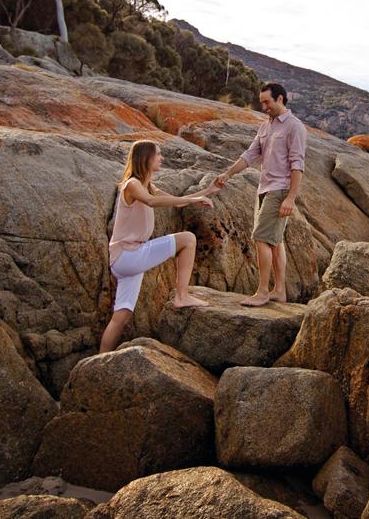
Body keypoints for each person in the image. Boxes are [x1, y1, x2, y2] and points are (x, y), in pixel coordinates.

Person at [100, 139, 221, 353]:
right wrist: (193, 200)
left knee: (122, 315)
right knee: (188, 239)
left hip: (127, 259)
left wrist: (207, 192)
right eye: (158, 154)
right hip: (129, 254)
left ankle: (99, 361)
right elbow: (151, 202)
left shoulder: (147, 186)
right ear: (146, 158)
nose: (161, 158)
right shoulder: (133, 184)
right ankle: (181, 296)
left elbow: (179, 201)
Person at [213, 81, 307, 307]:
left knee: (260, 238)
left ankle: (263, 292)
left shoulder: (294, 127)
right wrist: (228, 174)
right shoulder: (266, 127)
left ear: (280, 99)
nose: (264, 106)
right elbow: (250, 155)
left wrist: (290, 198)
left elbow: (298, 164)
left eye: (267, 102)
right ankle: (279, 291)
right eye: (262, 102)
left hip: (280, 190)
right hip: (263, 189)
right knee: (275, 241)